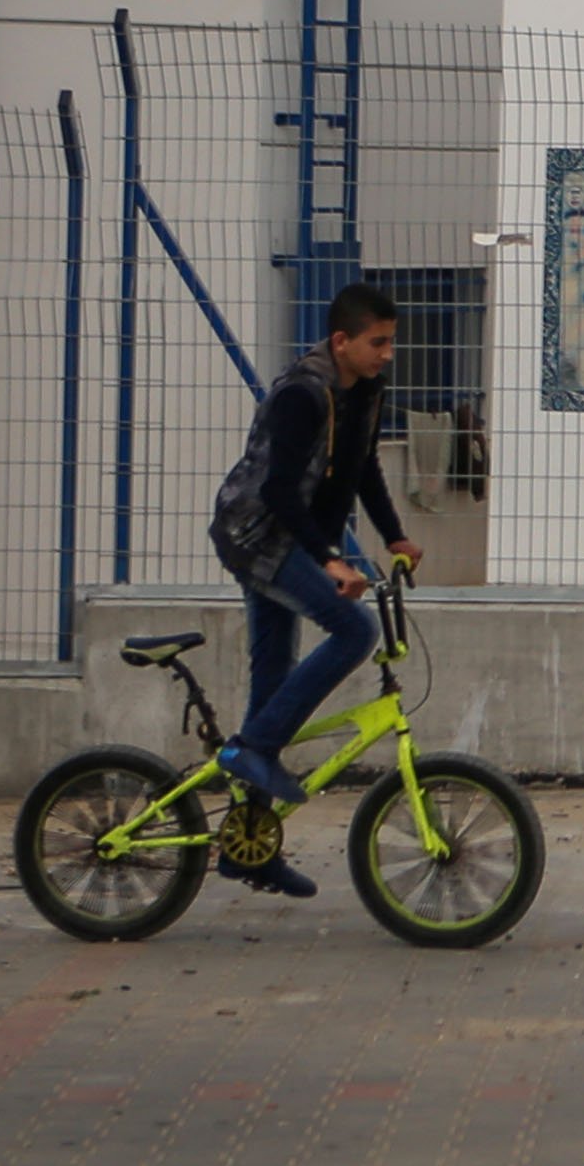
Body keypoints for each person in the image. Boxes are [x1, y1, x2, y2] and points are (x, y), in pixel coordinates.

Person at [203, 279, 421, 897]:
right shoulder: (303, 395)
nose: (386, 354)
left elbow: (362, 469)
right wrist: (329, 559)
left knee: (272, 681)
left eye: (390, 343)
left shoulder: (365, 390)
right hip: (256, 534)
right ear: (341, 340)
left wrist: (395, 536)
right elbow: (274, 493)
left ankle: (248, 845)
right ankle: (255, 748)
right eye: (377, 343)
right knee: (354, 631)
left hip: (294, 538)